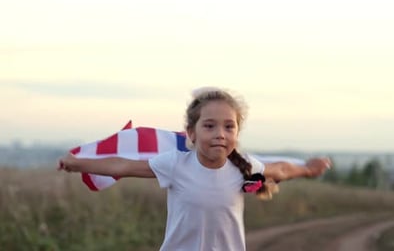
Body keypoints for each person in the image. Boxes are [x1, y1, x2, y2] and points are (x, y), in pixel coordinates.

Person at [58, 87, 331, 251]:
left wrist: (307, 169)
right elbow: (124, 165)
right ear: (192, 132)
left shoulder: (244, 167)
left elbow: (280, 170)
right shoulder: (175, 164)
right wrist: (77, 163)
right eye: (209, 126)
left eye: (229, 126)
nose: (220, 134)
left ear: (237, 132)